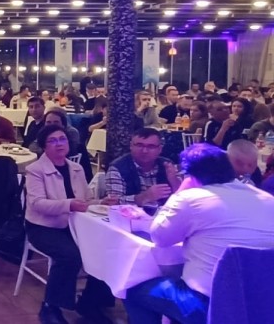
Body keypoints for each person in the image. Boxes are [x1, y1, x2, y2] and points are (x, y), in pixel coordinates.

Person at [124, 143, 274, 324]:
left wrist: (180, 192)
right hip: (263, 304)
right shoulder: (268, 199)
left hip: (210, 305)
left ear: (190, 175)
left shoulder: (191, 198)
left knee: (132, 289)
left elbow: (160, 238)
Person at [25, 125, 114, 324]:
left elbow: (85, 200)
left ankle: (90, 302)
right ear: (44, 146)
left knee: (106, 250)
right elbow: (37, 204)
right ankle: (50, 307)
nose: (59, 144)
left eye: (62, 139)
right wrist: (69, 205)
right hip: (43, 227)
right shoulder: (36, 170)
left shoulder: (76, 168)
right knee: (69, 255)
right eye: (52, 141)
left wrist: (101, 202)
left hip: (75, 225)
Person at [105, 128, 182, 206]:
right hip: (130, 213)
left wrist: (174, 180)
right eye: (139, 145)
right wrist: (144, 197)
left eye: (151, 146)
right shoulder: (118, 168)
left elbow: (183, 198)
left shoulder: (167, 165)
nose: (144, 151)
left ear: (159, 149)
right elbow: (113, 203)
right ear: (131, 146)